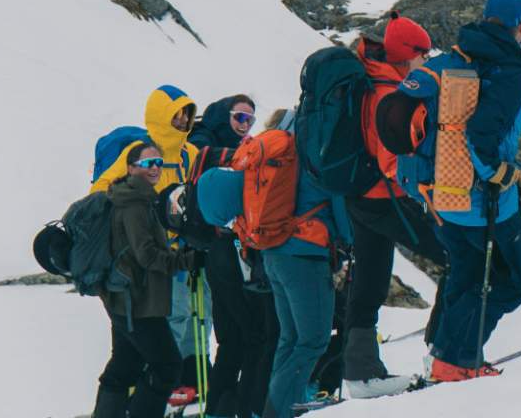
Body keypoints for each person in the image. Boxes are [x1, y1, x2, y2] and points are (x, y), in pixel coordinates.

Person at [396, 0, 521, 382]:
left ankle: (445, 354)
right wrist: (500, 174)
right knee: (519, 277)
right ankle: (457, 358)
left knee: (468, 273)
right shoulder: (507, 68)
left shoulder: (459, 57)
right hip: (486, 203)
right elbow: (481, 136)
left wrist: (513, 170)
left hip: (443, 195)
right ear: (518, 23)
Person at [195, 109, 352, 418]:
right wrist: (347, 240)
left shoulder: (274, 159)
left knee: (290, 339)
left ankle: (277, 407)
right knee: (312, 340)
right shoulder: (307, 156)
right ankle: (279, 411)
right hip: (305, 256)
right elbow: (335, 199)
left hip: (272, 253)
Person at [342, 12, 449, 398]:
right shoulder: (390, 92)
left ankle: (360, 372)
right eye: (424, 53)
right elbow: (392, 161)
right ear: (409, 54)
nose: (428, 60)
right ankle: (444, 352)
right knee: (457, 255)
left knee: (369, 282)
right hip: (387, 198)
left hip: (359, 196)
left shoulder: (367, 78)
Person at [89, 86, 206, 408]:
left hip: (168, 257)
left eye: (187, 114)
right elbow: (101, 194)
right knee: (163, 353)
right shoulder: (134, 164)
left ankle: (134, 398)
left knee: (128, 357)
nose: (182, 121)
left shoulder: (189, 154)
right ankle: (152, 395)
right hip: (145, 271)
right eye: (176, 114)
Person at [187, 94, 276, 418]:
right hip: (232, 249)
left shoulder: (215, 151)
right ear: (223, 116)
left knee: (231, 339)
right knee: (255, 335)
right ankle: (247, 408)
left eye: (249, 120)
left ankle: (218, 409)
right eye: (239, 117)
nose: (244, 125)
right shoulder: (208, 147)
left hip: (216, 254)